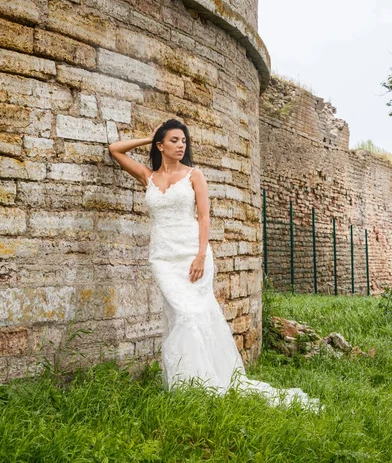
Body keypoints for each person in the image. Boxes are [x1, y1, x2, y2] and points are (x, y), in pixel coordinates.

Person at [109, 118, 320, 410]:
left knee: (191, 316)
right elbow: (115, 149)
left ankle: (202, 382)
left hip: (192, 255)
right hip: (162, 258)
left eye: (183, 141)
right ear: (161, 145)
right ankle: (185, 382)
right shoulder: (149, 177)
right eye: (173, 140)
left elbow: (205, 217)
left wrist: (199, 255)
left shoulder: (194, 175)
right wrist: (149, 137)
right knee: (177, 316)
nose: (180, 145)